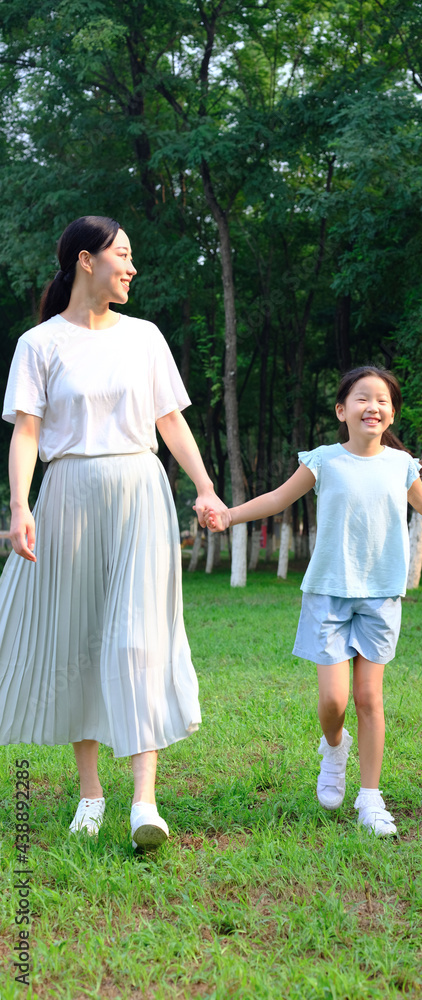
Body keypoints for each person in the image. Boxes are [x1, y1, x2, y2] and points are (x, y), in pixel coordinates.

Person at [206, 365, 422, 836]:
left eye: (383, 401)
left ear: (391, 415)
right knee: (333, 700)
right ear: (341, 410)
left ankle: (370, 798)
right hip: (328, 592)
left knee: (369, 697)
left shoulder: (400, 464)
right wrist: (229, 515)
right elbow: (276, 499)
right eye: (362, 398)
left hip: (382, 594)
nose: (373, 406)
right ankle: (334, 746)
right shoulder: (324, 460)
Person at [0, 216, 226, 851]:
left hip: (139, 493)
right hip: (68, 496)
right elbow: (26, 432)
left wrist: (205, 488)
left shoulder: (146, 337)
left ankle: (145, 803)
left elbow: (171, 421)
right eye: (122, 255)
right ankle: (91, 794)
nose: (131, 267)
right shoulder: (38, 344)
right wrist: (21, 505)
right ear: (84, 261)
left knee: (138, 639)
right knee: (79, 635)